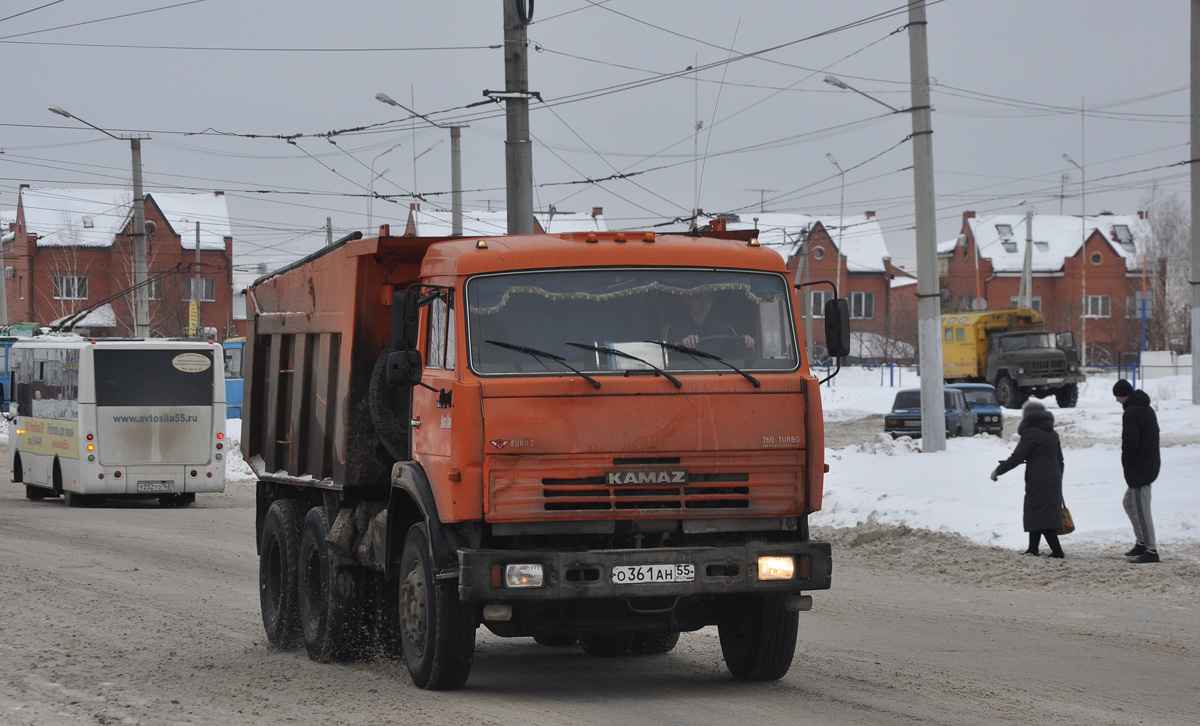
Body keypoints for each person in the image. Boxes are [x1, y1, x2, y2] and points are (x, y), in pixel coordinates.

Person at [990, 399, 1066, 559]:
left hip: (1038, 477)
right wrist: (1058, 478)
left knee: (1041, 513)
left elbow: (1017, 457)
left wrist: (998, 471)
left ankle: (1057, 551)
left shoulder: (1030, 434)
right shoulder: (1052, 433)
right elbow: (1060, 460)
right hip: (1053, 476)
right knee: (1037, 511)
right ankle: (1032, 549)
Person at [1113, 379, 1161, 564]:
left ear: (1123, 395)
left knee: (1141, 509)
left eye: (1117, 396)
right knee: (1129, 503)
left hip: (1141, 467)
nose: (1116, 400)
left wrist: (1127, 462)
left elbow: (1131, 442)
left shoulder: (1132, 412)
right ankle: (1141, 542)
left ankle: (1151, 550)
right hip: (1147, 464)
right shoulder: (1145, 408)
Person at [666, 288, 754, 352]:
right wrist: (682, 345)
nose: (703, 302)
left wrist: (743, 342)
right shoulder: (674, 328)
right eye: (698, 296)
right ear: (688, 299)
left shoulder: (724, 328)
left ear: (712, 299)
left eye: (708, 297)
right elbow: (665, 354)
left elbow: (734, 351)